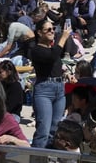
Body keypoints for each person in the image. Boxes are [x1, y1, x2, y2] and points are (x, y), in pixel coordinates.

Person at [30, 18, 70, 148]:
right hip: (44, 90)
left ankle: (49, 157)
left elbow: (55, 63)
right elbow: (51, 58)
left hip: (59, 88)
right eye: (48, 29)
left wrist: (64, 73)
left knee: (55, 130)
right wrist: (63, 38)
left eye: (53, 29)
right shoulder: (36, 50)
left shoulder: (53, 49)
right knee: (43, 131)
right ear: (39, 33)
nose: (52, 31)